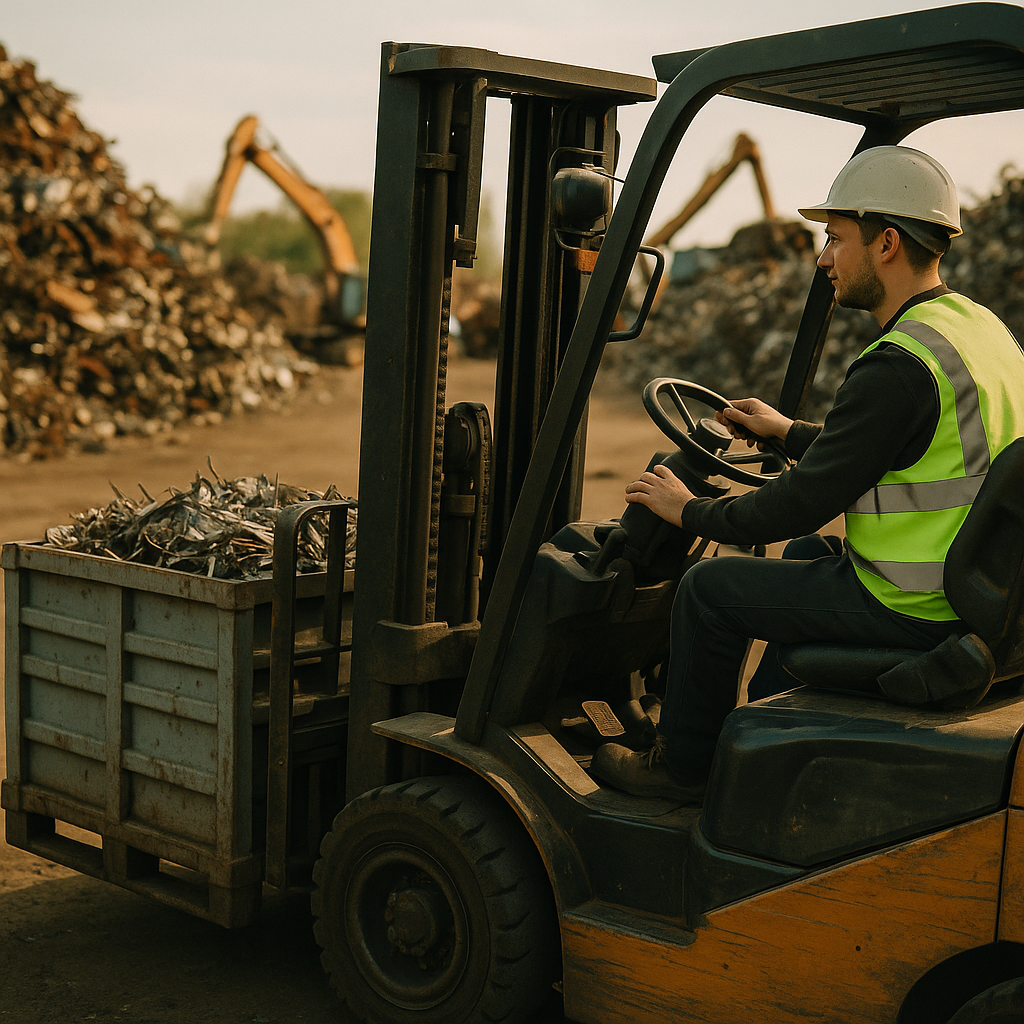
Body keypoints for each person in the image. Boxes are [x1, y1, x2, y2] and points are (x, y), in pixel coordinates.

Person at [591, 146, 1024, 803]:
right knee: (803, 556)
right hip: (977, 588)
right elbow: (904, 443)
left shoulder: (895, 366)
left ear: (884, 243)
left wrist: (686, 511)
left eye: (834, 238)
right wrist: (789, 431)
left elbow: (794, 503)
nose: (823, 258)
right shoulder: (975, 329)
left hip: (916, 604)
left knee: (709, 588)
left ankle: (683, 769)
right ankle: (759, 751)